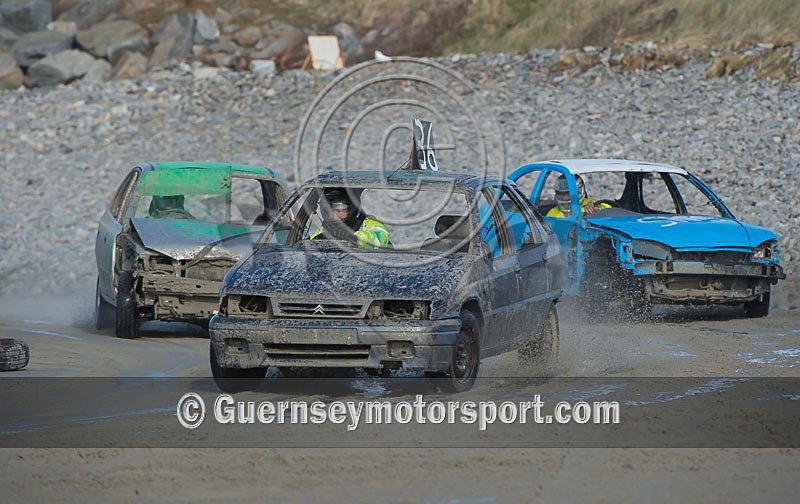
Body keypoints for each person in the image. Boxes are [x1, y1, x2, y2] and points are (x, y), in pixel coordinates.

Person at [310, 188, 389, 249]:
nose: (334, 215)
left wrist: (354, 238)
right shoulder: (325, 228)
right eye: (328, 210)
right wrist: (319, 240)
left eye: (339, 209)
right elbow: (309, 247)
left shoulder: (370, 223)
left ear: (352, 208)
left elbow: (381, 241)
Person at [546, 174, 610, 218]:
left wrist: (597, 211)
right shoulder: (552, 213)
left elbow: (611, 211)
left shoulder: (592, 204)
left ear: (579, 191)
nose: (566, 197)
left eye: (569, 193)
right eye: (562, 194)